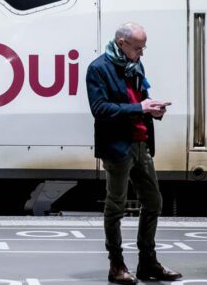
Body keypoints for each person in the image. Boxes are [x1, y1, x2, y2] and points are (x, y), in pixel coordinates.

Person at [85, 23, 183, 284]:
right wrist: (139, 107)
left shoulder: (135, 66)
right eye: (138, 48)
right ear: (121, 43)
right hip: (118, 147)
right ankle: (116, 265)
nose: (141, 53)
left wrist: (154, 110)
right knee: (115, 207)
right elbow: (100, 109)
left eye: (143, 48)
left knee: (154, 202)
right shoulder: (98, 69)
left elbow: (141, 101)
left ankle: (147, 263)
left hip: (141, 144)